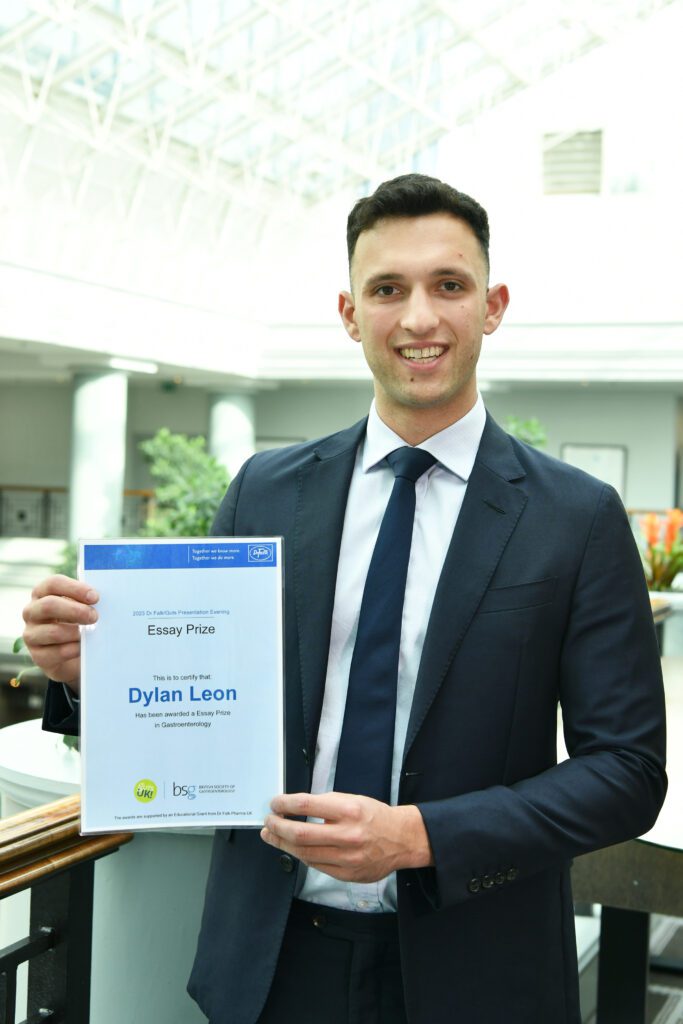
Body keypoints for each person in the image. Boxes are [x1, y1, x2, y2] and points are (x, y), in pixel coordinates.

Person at [24, 174, 666, 1024]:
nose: (418, 318)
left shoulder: (575, 517)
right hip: (273, 964)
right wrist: (94, 671)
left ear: (492, 306)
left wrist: (421, 837)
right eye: (387, 289)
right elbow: (206, 710)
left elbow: (625, 772)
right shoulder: (265, 492)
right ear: (349, 313)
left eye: (448, 285)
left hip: (479, 969)